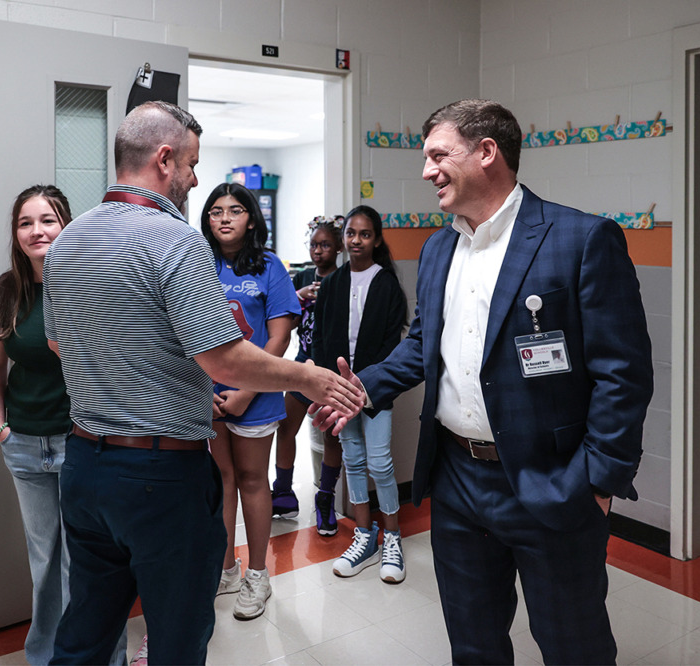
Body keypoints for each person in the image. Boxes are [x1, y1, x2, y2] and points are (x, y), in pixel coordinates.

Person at [315, 99, 653, 664]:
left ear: (487, 153)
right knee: (474, 645)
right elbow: (425, 346)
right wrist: (362, 387)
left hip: (554, 482)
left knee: (575, 646)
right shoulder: (440, 247)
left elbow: (623, 374)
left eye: (437, 155)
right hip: (458, 485)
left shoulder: (580, 239)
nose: (426, 172)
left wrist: (597, 483)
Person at [42, 101, 363, 665]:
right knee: (177, 639)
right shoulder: (175, 238)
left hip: (85, 468)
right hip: (159, 475)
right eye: (191, 165)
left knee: (86, 632)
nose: (194, 180)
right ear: (164, 159)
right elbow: (224, 361)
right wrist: (307, 378)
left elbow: (59, 344)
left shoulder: (69, 240)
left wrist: (139, 357)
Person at [0, 185, 126, 666]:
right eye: (26, 222)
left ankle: (104, 656)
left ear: (66, 224)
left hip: (79, 442)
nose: (37, 231)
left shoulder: (86, 282)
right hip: (22, 444)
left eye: (48, 220)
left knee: (86, 562)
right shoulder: (6, 290)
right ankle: (45, 656)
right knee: (44, 563)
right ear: (16, 233)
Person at [201, 182, 300, 620]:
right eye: (216, 210)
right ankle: (226, 568)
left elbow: (280, 337)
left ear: (251, 219)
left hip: (255, 396)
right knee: (221, 480)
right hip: (207, 396)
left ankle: (258, 575)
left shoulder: (269, 266)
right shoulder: (196, 264)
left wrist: (245, 391)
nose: (224, 218)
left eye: (235, 210)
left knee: (252, 480)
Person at [312, 205, 407, 582]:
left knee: (380, 463)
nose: (356, 241)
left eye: (365, 234)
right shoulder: (333, 283)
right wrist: (327, 384)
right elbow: (319, 336)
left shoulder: (386, 284)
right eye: (351, 233)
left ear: (376, 239)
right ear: (343, 239)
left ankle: (393, 537)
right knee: (352, 461)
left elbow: (391, 345)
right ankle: (365, 536)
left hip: (373, 391)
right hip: (337, 390)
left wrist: (364, 385)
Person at [271, 216, 343, 526]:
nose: (318, 251)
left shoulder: (345, 279)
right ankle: (284, 494)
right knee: (286, 428)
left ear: (338, 247)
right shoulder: (300, 278)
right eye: (314, 245)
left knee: (330, 437)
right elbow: (287, 323)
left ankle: (325, 498)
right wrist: (300, 300)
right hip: (303, 363)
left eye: (325, 245)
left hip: (330, 370)